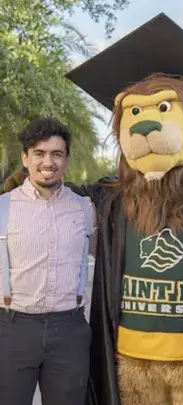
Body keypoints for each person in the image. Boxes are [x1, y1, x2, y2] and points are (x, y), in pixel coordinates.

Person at [0, 13, 183, 405]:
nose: (142, 127)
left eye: (56, 155)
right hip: (127, 354)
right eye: (134, 114)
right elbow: (52, 186)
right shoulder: (110, 198)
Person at [0, 117, 96, 405]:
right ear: (25, 158)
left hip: (69, 329)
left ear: (66, 160)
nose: (48, 162)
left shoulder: (85, 209)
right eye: (39, 153)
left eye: (56, 154)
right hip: (13, 328)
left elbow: (104, 254)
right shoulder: (3, 207)